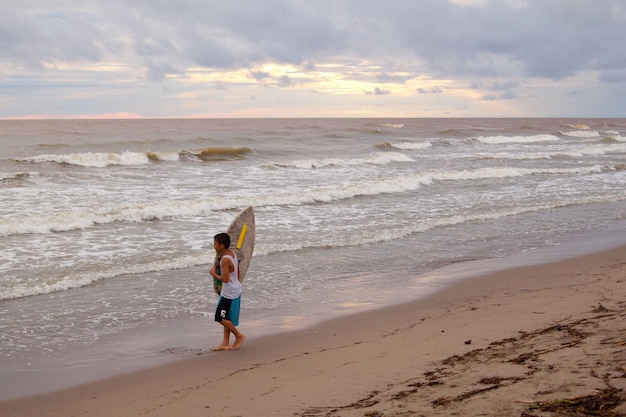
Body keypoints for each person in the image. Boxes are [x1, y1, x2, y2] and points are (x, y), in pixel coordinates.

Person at [209, 232, 246, 351]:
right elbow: (238, 270)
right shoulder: (232, 254)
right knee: (227, 317)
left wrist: (213, 274)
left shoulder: (224, 260)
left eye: (215, 244)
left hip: (229, 292)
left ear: (222, 246)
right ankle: (225, 343)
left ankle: (239, 336)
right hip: (234, 288)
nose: (214, 246)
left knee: (219, 317)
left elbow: (225, 279)